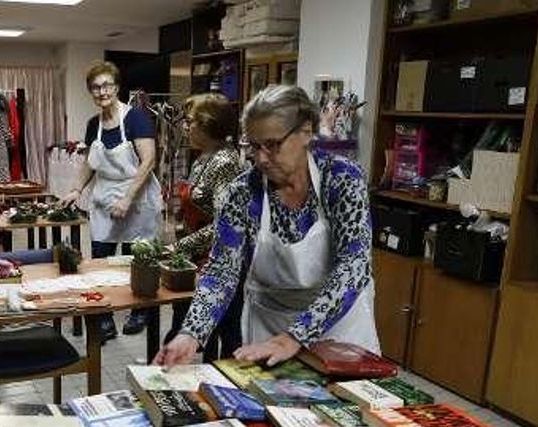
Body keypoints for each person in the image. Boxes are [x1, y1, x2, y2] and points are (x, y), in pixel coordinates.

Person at [154, 85, 378, 367]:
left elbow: (354, 266)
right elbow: (222, 271)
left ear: (306, 132)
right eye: (253, 146)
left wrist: (296, 335)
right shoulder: (242, 193)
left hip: (339, 331)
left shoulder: (342, 178)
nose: (260, 158)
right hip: (268, 330)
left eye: (272, 145)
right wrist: (191, 332)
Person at [61, 61, 161, 340]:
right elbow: (90, 163)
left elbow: (149, 160)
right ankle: (103, 316)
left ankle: (140, 310)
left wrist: (128, 198)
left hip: (137, 197)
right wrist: (76, 189)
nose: (101, 91)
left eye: (106, 85)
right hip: (105, 198)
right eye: (95, 87)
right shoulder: (94, 124)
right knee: (100, 260)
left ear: (116, 87)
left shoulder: (136, 118)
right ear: (90, 92)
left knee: (137, 258)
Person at [164, 93, 246, 361]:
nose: (185, 127)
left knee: (224, 334)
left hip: (218, 260)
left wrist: (179, 245)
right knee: (188, 328)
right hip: (194, 257)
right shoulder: (201, 158)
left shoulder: (225, 163)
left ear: (209, 124)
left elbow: (225, 225)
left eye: (190, 122)